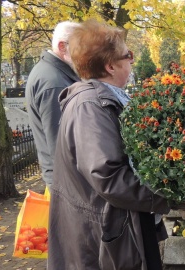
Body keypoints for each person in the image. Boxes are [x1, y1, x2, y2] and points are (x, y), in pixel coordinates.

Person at [48, 19, 170, 270]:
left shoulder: (105, 99)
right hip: (104, 234)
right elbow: (109, 176)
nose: (132, 61)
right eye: (128, 55)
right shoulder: (90, 107)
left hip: (121, 221)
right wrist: (168, 196)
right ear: (110, 65)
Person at [26, 21, 81, 190]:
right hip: (68, 183)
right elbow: (60, 145)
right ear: (62, 46)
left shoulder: (54, 74)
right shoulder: (54, 83)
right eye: (81, 46)